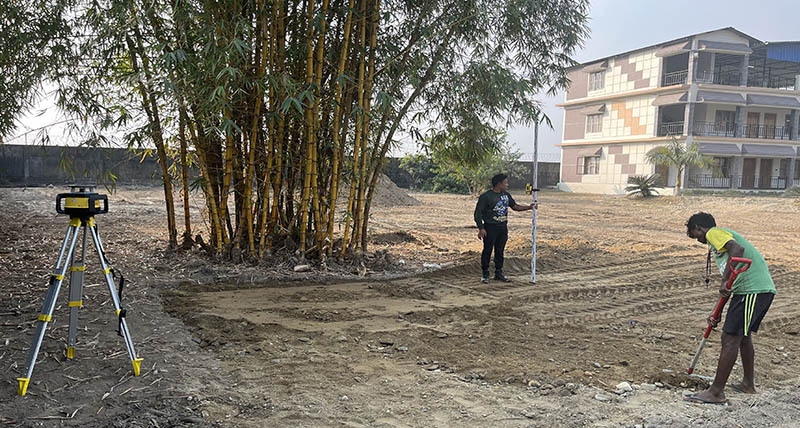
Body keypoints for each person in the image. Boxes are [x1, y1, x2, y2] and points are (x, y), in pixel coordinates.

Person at [684, 212, 776, 405]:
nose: (698, 240)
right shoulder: (720, 243)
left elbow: (737, 250)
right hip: (753, 290)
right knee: (742, 337)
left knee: (730, 337)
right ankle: (747, 384)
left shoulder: (714, 233)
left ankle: (716, 392)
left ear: (699, 228)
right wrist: (716, 311)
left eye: (696, 235)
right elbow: (729, 286)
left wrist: (725, 280)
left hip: (753, 290)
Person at [474, 173, 536, 284]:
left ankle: (499, 272)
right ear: (499, 184)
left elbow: (515, 207)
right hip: (490, 227)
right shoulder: (486, 197)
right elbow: (478, 213)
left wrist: (529, 207)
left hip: (502, 227)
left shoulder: (506, 195)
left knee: (500, 250)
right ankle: (485, 273)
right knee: (487, 250)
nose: (507, 185)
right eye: (505, 182)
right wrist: (481, 228)